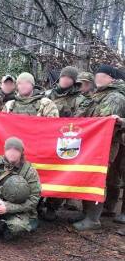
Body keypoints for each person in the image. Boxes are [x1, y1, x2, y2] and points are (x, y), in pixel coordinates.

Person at [74, 65, 125, 230]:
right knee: (87, 174)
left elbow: (103, 121)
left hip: (106, 145)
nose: (98, 78)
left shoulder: (115, 97)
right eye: (97, 75)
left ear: (111, 78)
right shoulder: (97, 95)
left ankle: (93, 219)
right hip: (92, 143)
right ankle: (87, 212)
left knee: (97, 178)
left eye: (102, 75)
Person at [0, 137, 41, 243]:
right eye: (9, 150)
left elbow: (34, 199)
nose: (12, 153)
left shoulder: (29, 171)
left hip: (17, 208)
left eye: (16, 150)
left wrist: (8, 207)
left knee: (17, 226)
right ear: (5, 150)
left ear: (21, 152)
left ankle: (4, 228)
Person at [42, 66, 83, 220]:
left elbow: (81, 121)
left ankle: (53, 207)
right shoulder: (46, 95)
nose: (65, 80)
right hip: (45, 140)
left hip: (64, 141)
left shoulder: (79, 99)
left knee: (59, 172)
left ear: (73, 81)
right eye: (63, 77)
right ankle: (37, 204)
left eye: (69, 78)